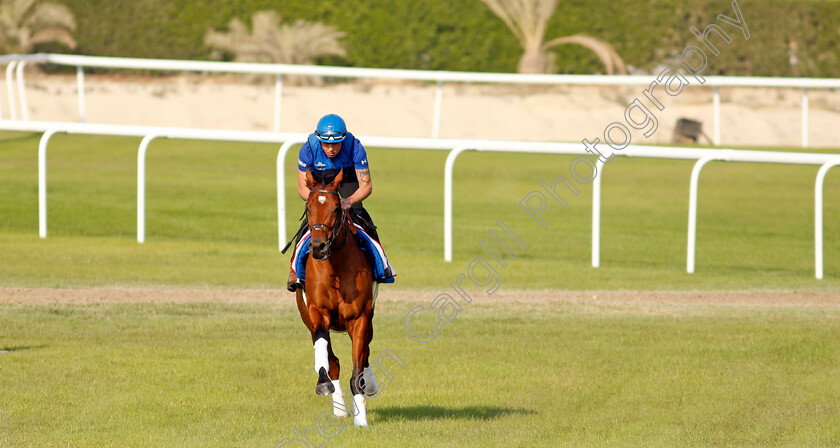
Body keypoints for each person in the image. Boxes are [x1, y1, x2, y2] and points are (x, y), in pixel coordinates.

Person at [286, 114, 393, 292]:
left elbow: (366, 186)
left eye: (335, 143)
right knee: (313, 220)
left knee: (360, 214)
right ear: (318, 139)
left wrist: (348, 201)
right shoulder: (308, 149)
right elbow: (301, 189)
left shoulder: (355, 147)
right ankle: (294, 270)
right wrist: (322, 204)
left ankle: (381, 263)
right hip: (319, 183)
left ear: (343, 139)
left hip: (347, 177)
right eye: (326, 144)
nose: (330, 149)